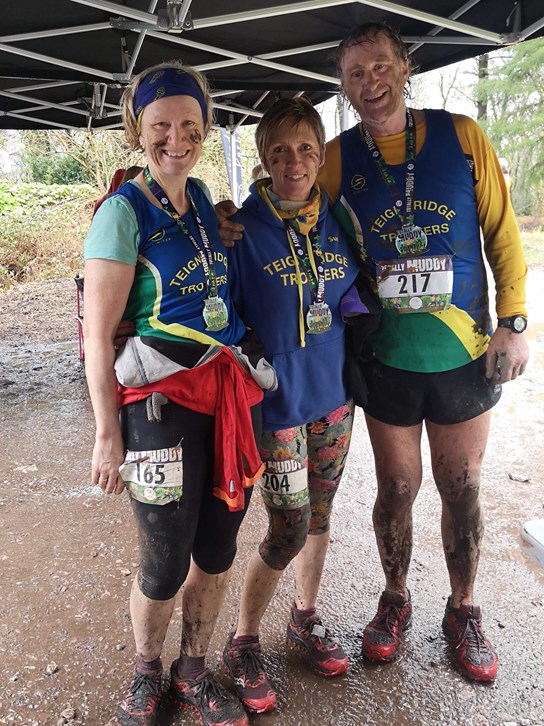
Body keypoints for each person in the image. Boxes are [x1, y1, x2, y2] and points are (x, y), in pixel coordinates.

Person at [317, 22, 530, 682]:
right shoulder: (334, 156)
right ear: (346, 87)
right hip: (385, 357)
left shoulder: (461, 135)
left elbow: (502, 233)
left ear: (404, 69)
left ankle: (463, 608)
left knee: (461, 486)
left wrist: (514, 321)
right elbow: (300, 225)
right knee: (398, 487)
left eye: (379, 67)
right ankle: (396, 597)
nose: (369, 82)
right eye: (355, 74)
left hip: (463, 352)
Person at [83, 60, 276, 726]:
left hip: (226, 404)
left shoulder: (204, 202)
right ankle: (147, 666)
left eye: (189, 125)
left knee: (216, 549)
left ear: (205, 127)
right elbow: (97, 337)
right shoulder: (121, 212)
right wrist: (108, 434)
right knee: (164, 561)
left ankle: (193, 667)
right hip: (158, 410)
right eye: (161, 125)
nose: (176, 138)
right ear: (138, 128)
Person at [220, 97, 361, 714]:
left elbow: (356, 292)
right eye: (279, 150)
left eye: (306, 148)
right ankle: (242, 639)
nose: (294, 161)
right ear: (263, 159)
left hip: (334, 401)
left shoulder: (338, 220)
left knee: (322, 517)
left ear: (321, 154)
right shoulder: (241, 229)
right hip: (278, 408)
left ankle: (303, 617)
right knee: (289, 526)